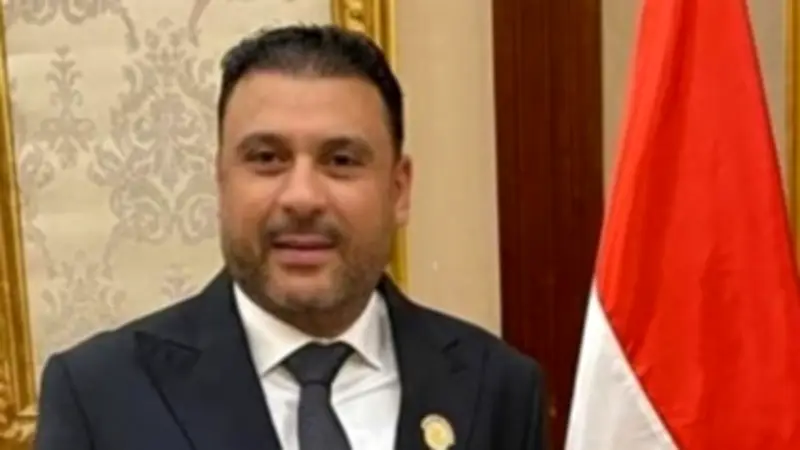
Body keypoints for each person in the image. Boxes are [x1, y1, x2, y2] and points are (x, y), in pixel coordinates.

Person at [34, 24, 548, 450]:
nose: (302, 197)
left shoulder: (498, 388)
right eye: (266, 158)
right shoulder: (98, 395)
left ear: (398, 190)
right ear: (221, 181)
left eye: (341, 160)